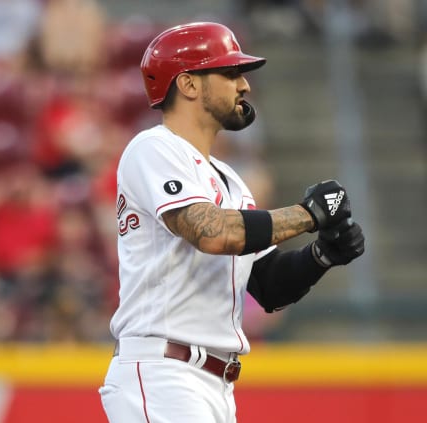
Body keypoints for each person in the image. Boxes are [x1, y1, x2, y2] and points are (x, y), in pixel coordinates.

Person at [99, 22, 365, 423]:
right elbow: (213, 233)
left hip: (211, 385)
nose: (244, 86)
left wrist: (322, 255)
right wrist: (309, 214)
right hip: (162, 372)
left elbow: (265, 284)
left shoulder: (230, 180)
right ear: (188, 85)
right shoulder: (153, 148)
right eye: (229, 73)